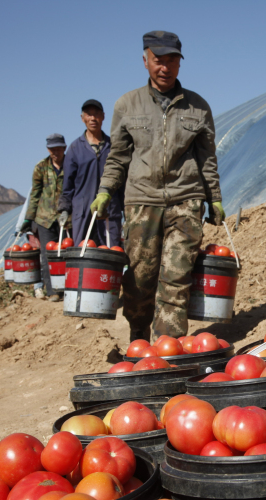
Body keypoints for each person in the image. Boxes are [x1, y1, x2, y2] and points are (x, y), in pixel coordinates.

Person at [90, 31, 225, 341]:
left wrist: (214, 198)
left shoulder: (198, 107)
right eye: (158, 61)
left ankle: (168, 346)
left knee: (177, 277)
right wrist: (105, 190)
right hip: (141, 200)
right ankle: (138, 336)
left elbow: (207, 159)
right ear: (145, 61)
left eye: (171, 60)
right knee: (140, 278)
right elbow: (118, 156)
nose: (164, 67)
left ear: (180, 62)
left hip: (185, 198)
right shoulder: (127, 104)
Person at [58, 100, 123, 246]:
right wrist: (64, 209)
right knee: (83, 251)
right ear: (83, 118)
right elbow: (68, 185)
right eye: (89, 115)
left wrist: (126, 208)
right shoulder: (75, 148)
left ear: (103, 117)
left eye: (97, 114)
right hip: (82, 211)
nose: (93, 118)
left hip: (109, 209)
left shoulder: (114, 146)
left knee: (111, 251)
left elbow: (123, 181)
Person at [21, 133, 72, 301]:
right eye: (52, 149)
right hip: (45, 218)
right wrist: (29, 218)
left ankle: (67, 288)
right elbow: (35, 194)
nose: (55, 152)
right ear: (48, 150)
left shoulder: (71, 165)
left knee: (66, 252)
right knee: (47, 254)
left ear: (64, 148)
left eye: (58, 149)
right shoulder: (41, 167)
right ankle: (53, 291)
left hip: (66, 218)